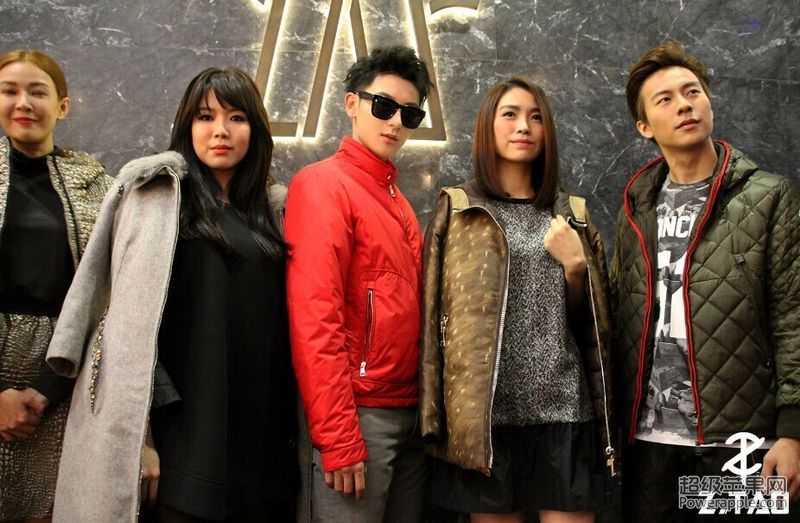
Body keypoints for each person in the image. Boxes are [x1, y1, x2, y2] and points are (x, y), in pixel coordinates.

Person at [45, 66, 296, 522]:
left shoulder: (274, 209)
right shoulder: (157, 197)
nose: (220, 131)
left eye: (236, 117)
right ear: (187, 125)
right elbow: (124, 319)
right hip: (183, 428)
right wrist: (142, 437)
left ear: (256, 129)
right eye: (205, 116)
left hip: (263, 429)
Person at [610, 41, 800, 521]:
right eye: (665, 99)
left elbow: (793, 317)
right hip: (650, 445)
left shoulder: (769, 197)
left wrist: (794, 432)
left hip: (743, 446)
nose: (684, 105)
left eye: (692, 91)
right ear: (645, 126)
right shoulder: (637, 207)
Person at [419, 76, 616, 523]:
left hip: (563, 409)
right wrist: (433, 420)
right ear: (488, 126)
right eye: (510, 114)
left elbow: (594, 327)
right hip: (487, 420)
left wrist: (575, 266)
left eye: (535, 117)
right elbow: (431, 321)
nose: (523, 126)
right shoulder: (458, 208)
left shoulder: (572, 214)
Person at [284, 45, 433, 522]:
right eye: (383, 106)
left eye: (409, 114)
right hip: (359, 418)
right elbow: (315, 318)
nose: (395, 122)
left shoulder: (399, 203)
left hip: (409, 415)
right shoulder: (322, 185)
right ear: (351, 103)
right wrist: (338, 436)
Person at [0, 49, 112, 522]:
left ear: (62, 106)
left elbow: (108, 297)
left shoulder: (99, 187)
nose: (23, 103)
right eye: (9, 91)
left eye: (37, 92)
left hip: (67, 375)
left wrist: (48, 388)